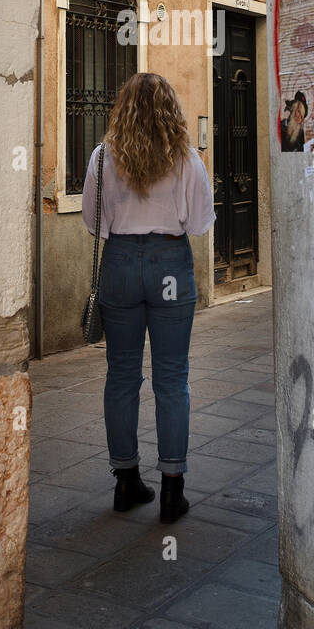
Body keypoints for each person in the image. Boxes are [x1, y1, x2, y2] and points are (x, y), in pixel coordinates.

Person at [81, 72, 215, 522]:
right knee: (172, 377)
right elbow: (199, 223)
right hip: (169, 263)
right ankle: (172, 488)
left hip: (120, 263)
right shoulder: (186, 158)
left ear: (123, 108)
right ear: (169, 110)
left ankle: (126, 480)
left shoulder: (103, 156)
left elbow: (92, 221)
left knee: (121, 375)